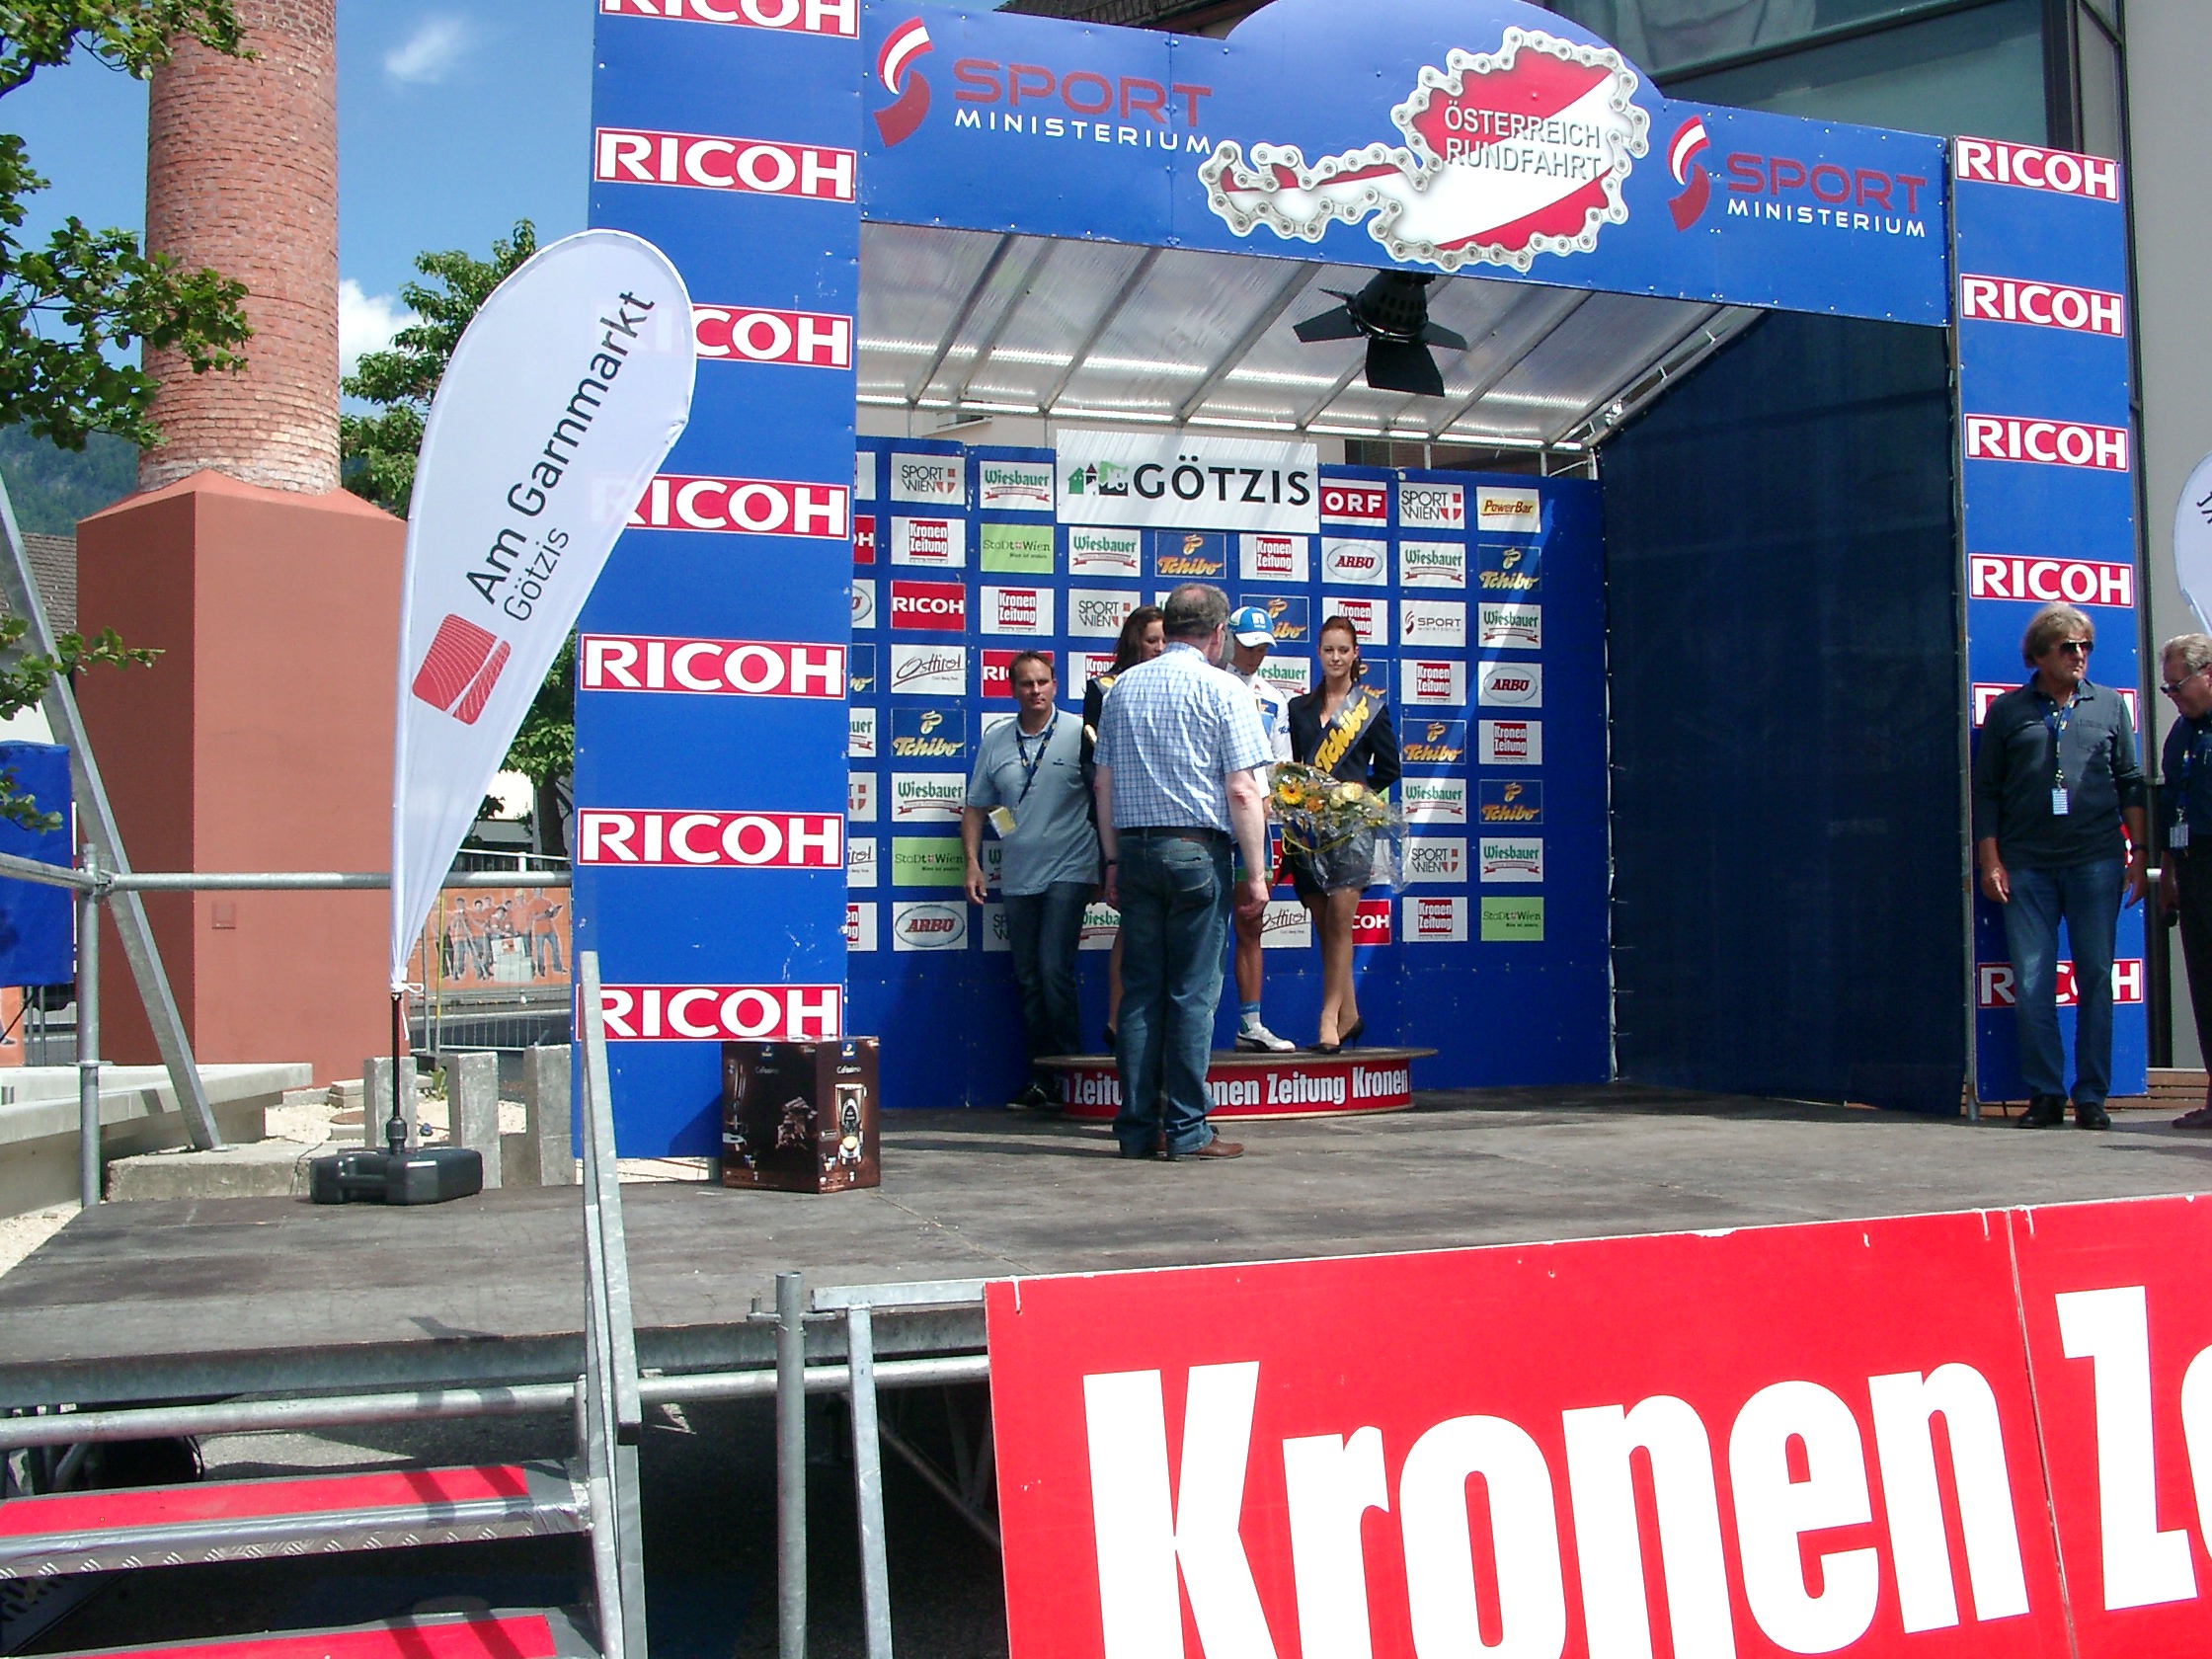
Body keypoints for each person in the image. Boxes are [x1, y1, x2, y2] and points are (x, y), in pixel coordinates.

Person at [1093, 585, 1271, 1161]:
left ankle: (1137, 1130)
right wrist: (1256, 872)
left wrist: (1112, 860)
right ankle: (1188, 1130)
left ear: (1167, 628)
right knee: (1192, 995)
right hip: (1197, 853)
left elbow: (1103, 785)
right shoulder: (1225, 689)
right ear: (1218, 634)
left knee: (1140, 993)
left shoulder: (1122, 688)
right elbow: (1242, 790)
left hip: (1136, 853)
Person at [1972, 601, 2148, 1130]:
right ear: (2039, 655)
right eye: (2068, 646)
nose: (2079, 655)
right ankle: (2045, 1093)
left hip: (2096, 861)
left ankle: (2091, 1095)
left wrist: (2140, 853)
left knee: (2095, 977)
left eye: (2085, 646)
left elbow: (2131, 781)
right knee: (2032, 982)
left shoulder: (2109, 704)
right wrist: (1990, 860)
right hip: (2026, 865)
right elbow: (1986, 791)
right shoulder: (2008, 711)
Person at [964, 650, 1098, 1111]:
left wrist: (1110, 865)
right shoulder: (997, 740)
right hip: (1019, 875)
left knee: (1052, 969)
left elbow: (1105, 796)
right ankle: (1042, 1079)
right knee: (1028, 978)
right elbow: (977, 808)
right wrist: (972, 863)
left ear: (1055, 685)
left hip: (1071, 868)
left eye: (1043, 682)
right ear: (1013, 690)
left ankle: (1073, 1079)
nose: (1035, 690)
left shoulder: (1080, 732)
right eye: (1026, 683)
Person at [1287, 614, 1400, 1052]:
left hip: (1351, 830)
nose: (1336, 657)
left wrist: (1357, 794)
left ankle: (1328, 1019)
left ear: (1355, 655)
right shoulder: (1298, 709)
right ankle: (1350, 1013)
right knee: (1326, 927)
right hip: (1307, 831)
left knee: (1340, 921)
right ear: (1319, 653)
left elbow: (1389, 768)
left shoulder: (1370, 710)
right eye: (1329, 650)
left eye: (1343, 650)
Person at [1081, 604, 1165, 1051]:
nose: (1159, 647)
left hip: (1165, 822)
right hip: (1120, 823)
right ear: (1134, 641)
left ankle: (1146, 1027)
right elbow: (1089, 763)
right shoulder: (1105, 687)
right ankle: (1118, 1020)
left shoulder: (1174, 683)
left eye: (1165, 640)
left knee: (1151, 927)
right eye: (1151, 640)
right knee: (1132, 924)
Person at [1224, 605, 1297, 1053]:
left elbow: (1279, 764)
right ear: (1228, 639)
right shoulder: (1209, 684)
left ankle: (1250, 1024)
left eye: (1264, 647)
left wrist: (1270, 802)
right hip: (1212, 822)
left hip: (1253, 827)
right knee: (1200, 928)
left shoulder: (1274, 698)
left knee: (1251, 922)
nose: (1256, 654)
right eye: (1249, 646)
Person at [2158, 632, 2212, 1128]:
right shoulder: (2181, 733)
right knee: (2204, 982)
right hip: (2192, 865)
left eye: (2178, 685)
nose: (2173, 696)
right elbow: (2171, 802)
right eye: (2167, 689)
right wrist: (2169, 873)